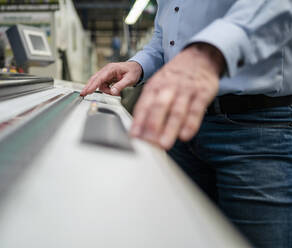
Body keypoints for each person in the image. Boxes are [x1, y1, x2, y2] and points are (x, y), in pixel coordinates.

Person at [80, 1, 292, 247]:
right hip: (182, 125)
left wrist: (208, 53)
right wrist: (139, 64)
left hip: (256, 129)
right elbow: (167, 37)